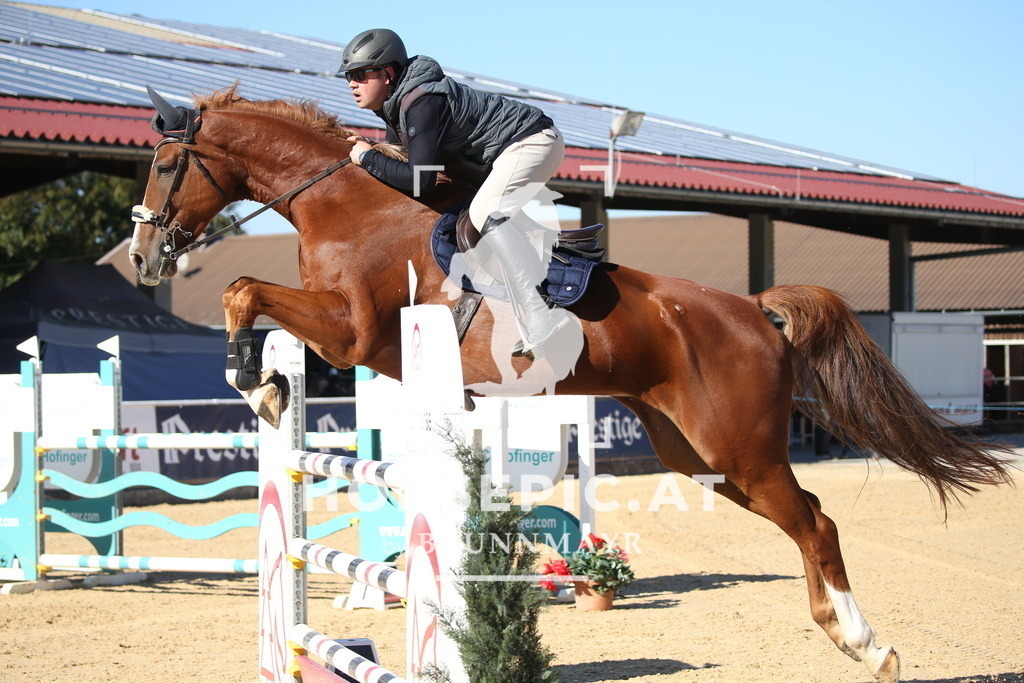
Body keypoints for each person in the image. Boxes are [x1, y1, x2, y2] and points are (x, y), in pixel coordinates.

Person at [339, 28, 571, 361]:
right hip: (510, 149)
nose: (352, 83)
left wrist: (366, 156)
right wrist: (371, 151)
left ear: (388, 73)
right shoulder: (397, 105)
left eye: (360, 74)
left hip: (532, 140)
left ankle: (540, 313)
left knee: (485, 214)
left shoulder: (421, 101)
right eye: (349, 76)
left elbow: (420, 181)